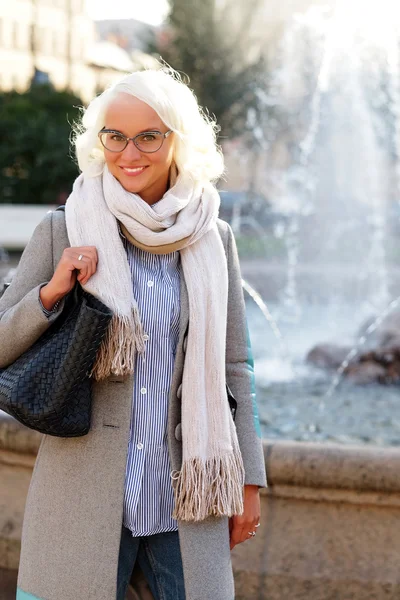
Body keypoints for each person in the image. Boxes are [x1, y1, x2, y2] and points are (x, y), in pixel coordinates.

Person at [0, 67, 267, 600]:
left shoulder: (213, 237)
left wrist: (250, 480)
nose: (129, 153)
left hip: (186, 496)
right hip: (83, 494)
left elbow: (235, 365)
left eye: (149, 136)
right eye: (115, 136)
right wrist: (51, 293)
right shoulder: (64, 229)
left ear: (177, 141)